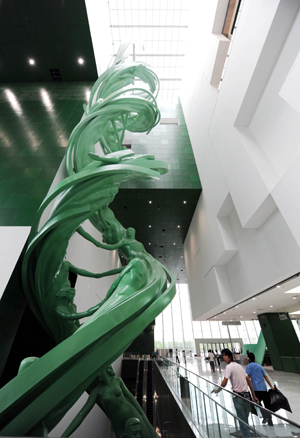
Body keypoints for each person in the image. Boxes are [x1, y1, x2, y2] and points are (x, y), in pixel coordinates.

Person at [212, 348, 258, 438]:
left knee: (242, 422)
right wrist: (253, 396)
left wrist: (217, 390)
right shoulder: (239, 366)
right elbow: (249, 381)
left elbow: (224, 382)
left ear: (230, 356)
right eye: (223, 356)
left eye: (226, 355)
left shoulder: (229, 367)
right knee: (246, 421)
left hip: (238, 397)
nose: (224, 357)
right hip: (247, 396)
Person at [246, 352, 275, 425]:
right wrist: (271, 385)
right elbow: (265, 377)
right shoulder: (259, 366)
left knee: (257, 402)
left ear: (248, 359)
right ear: (254, 358)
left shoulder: (249, 366)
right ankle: (270, 421)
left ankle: (265, 416)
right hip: (263, 388)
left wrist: (246, 385)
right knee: (267, 405)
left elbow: (247, 378)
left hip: (256, 388)